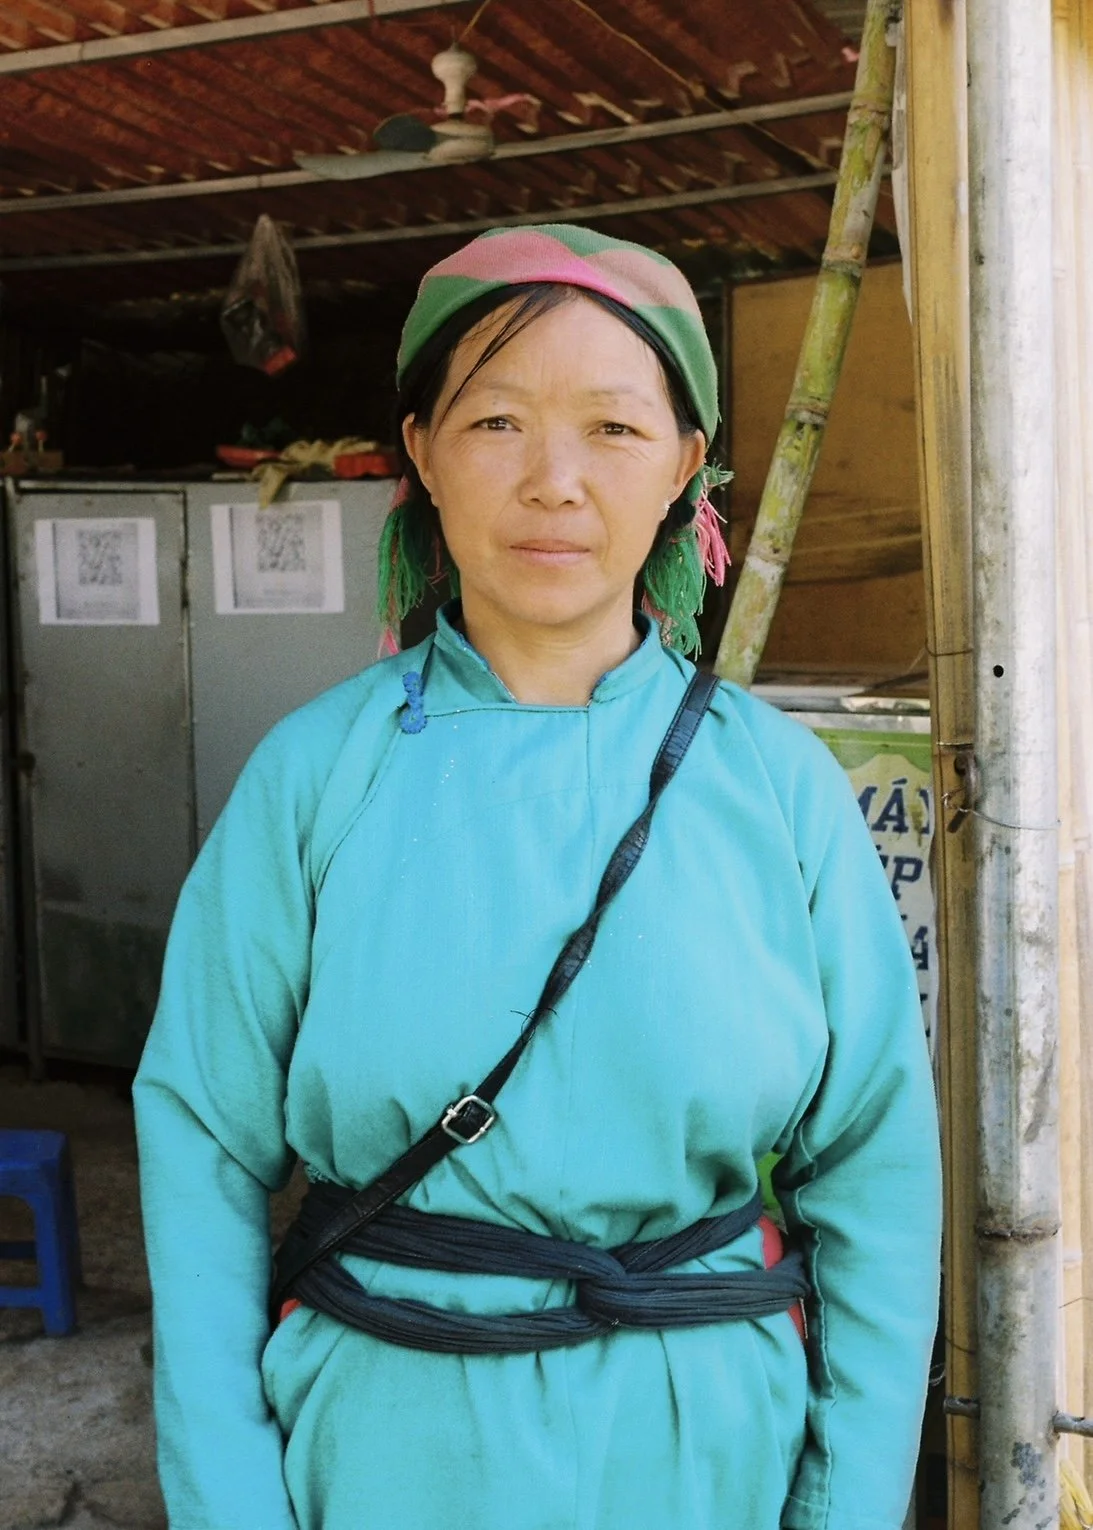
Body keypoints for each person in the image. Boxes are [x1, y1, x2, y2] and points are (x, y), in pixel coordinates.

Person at [134, 222, 942, 1530]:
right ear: (423, 454)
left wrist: (845, 1499)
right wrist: (228, 1494)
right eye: (497, 422)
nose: (553, 480)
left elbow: (876, 1165)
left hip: (707, 1450)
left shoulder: (778, 788)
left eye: (615, 430)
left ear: (686, 466)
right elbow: (203, 1141)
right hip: (388, 1447)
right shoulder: (313, 776)